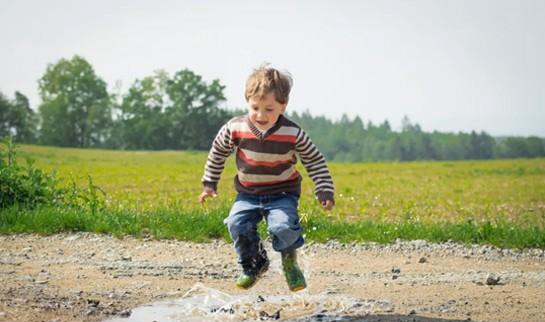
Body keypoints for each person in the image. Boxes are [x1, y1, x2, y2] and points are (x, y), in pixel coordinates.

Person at [199, 64, 335, 292]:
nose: (261, 115)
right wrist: (209, 184)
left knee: (283, 227)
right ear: (247, 101)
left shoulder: (293, 133)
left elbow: (315, 161)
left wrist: (324, 190)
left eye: (269, 109)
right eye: (255, 107)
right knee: (236, 224)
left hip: (282, 193)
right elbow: (217, 152)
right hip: (248, 193)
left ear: (283, 106)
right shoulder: (235, 128)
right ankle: (254, 263)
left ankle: (289, 261)